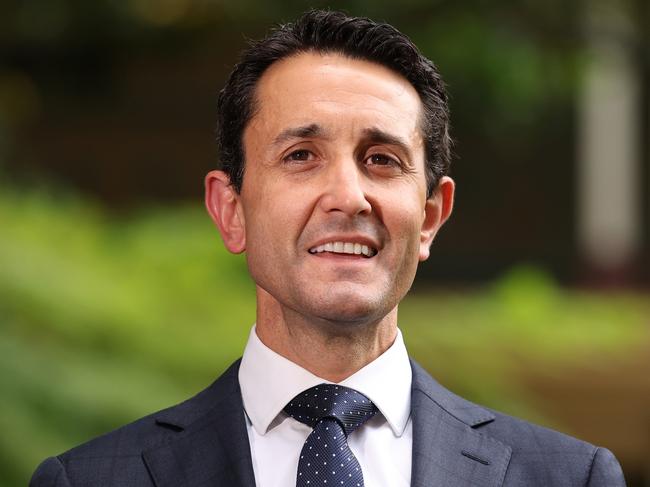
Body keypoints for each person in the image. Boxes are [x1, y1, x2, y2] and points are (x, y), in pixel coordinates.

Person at [30, 9, 626, 487]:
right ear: (230, 210)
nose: (348, 196)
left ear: (430, 218)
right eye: (300, 157)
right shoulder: (87, 478)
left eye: (382, 160)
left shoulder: (567, 477)